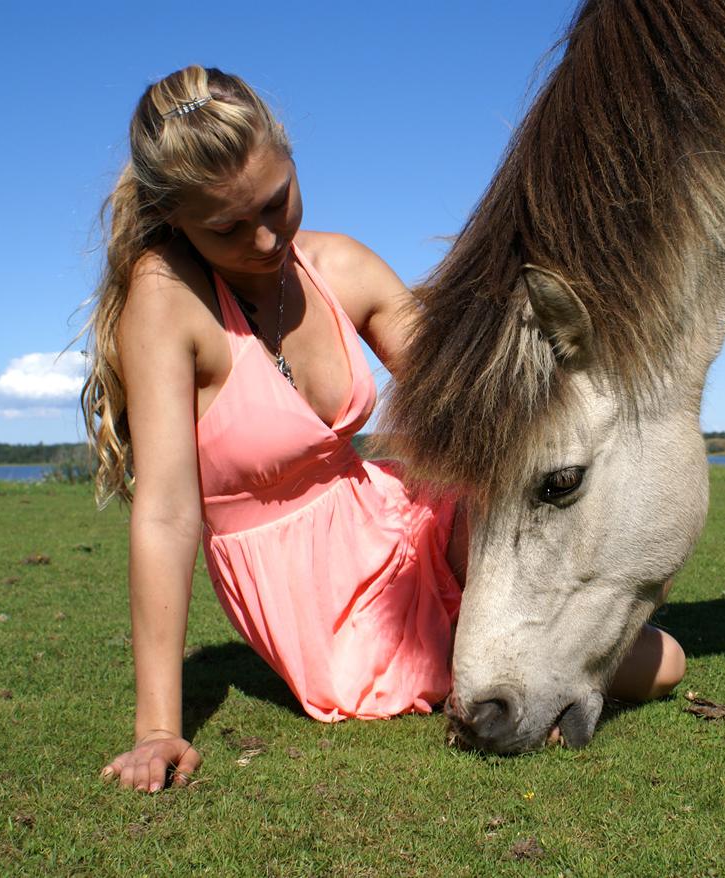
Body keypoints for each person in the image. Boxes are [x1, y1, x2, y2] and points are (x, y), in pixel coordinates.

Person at [84, 66, 686, 794]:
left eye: (279, 200)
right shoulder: (164, 299)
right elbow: (168, 513)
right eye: (228, 228)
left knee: (665, 662)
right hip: (319, 595)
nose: (269, 237)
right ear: (174, 218)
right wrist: (158, 729)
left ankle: (542, 649)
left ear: (291, 156)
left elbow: (475, 400)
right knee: (630, 666)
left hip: (397, 520)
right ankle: (517, 662)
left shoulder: (341, 266)